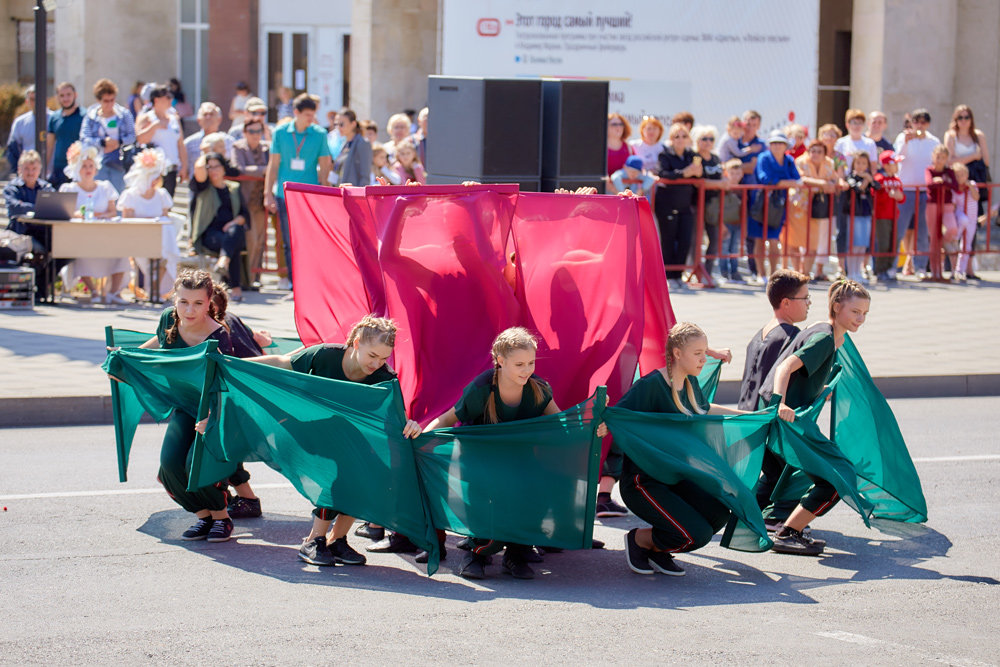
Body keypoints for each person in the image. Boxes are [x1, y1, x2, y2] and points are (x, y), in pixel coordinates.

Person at [244, 315, 421, 567]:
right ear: (356, 343)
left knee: (365, 468)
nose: (377, 363)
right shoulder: (325, 356)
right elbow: (283, 362)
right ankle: (313, 540)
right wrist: (237, 363)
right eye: (372, 355)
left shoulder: (384, 377)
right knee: (347, 465)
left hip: (347, 441)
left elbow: (396, 418)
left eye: (384, 357)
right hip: (305, 431)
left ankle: (337, 540)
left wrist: (411, 423)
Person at [610, 322, 750, 576]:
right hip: (644, 482)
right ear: (677, 353)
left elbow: (705, 410)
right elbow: (617, 415)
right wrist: (602, 425)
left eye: (705, 352)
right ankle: (640, 540)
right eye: (698, 353)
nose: (704, 359)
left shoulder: (689, 383)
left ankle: (659, 551)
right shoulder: (651, 385)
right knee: (694, 535)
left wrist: (749, 416)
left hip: (675, 478)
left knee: (719, 512)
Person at [424, 327, 561, 580]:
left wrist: (594, 424)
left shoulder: (538, 388)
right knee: (491, 501)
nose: (527, 369)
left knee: (531, 489)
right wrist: (424, 441)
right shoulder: (482, 388)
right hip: (478, 460)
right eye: (519, 364)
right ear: (500, 361)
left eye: (531, 362)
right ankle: (476, 554)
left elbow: (562, 424)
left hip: (519, 460)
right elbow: (447, 418)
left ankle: (516, 554)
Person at [760, 279, 871, 555]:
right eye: (855, 312)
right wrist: (781, 403)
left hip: (790, 421)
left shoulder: (824, 331)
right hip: (788, 421)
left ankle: (784, 526)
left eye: (865, 313)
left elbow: (800, 372)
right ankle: (788, 532)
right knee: (837, 477)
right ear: (837, 306)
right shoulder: (824, 338)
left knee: (829, 475)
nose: (861, 319)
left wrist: (817, 388)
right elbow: (785, 367)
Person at [128, 270, 237, 543]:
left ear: (209, 302)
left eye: (198, 303)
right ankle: (203, 516)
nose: (189, 310)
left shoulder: (218, 336)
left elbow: (228, 385)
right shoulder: (168, 318)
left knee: (196, 464)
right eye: (183, 302)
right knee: (169, 466)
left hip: (211, 409)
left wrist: (213, 418)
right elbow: (161, 342)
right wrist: (129, 359)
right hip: (183, 406)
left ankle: (222, 517)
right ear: (174, 299)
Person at [738, 270, 811, 529]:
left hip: (749, 418)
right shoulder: (791, 336)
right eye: (805, 298)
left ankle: (750, 513)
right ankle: (778, 518)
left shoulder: (759, 334)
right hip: (768, 420)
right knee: (792, 470)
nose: (809, 303)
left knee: (772, 474)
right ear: (786, 302)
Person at [264, 93, 332, 289]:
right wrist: (267, 193)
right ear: (296, 112)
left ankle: (310, 278)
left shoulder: (319, 134)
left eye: (313, 114)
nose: (311, 119)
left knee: (310, 238)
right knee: (288, 239)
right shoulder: (281, 132)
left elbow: (325, 163)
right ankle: (296, 282)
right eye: (307, 115)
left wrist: (325, 187)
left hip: (310, 194)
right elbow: (273, 164)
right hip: (284, 194)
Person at [59, 142, 129, 304]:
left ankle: (113, 292)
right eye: (84, 166)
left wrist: (99, 215)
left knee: (123, 250)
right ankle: (93, 290)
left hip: (104, 234)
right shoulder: (69, 189)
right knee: (81, 253)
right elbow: (66, 212)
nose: (88, 169)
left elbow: (112, 211)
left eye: (91, 165)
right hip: (81, 236)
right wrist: (81, 215)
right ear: (77, 168)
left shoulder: (105, 187)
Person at [118, 148, 177, 298]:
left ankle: (155, 289)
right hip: (136, 239)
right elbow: (126, 222)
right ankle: (151, 287)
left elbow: (165, 219)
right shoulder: (130, 195)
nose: (155, 180)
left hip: (159, 240)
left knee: (165, 250)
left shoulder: (162, 195)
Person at [190, 152, 248, 301]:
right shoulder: (203, 188)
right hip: (209, 235)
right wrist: (205, 151)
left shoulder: (234, 188)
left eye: (217, 166)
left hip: (230, 232)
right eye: (210, 167)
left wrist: (232, 223)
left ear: (224, 168)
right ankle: (235, 287)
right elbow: (198, 169)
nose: (213, 170)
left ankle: (224, 260)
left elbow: (244, 216)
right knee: (232, 242)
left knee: (234, 232)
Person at [944, 104, 990, 279]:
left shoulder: (978, 136)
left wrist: (964, 160)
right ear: (955, 120)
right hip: (956, 187)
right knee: (954, 225)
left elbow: (985, 160)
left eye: (967, 117)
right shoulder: (951, 136)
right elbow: (950, 161)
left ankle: (969, 268)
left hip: (972, 187)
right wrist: (971, 157)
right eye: (960, 117)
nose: (964, 121)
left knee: (973, 226)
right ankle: (954, 267)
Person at [893, 108, 941, 277]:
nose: (919, 125)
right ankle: (892, 266)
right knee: (899, 229)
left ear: (928, 124)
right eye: (916, 121)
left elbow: (937, 163)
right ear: (911, 123)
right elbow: (897, 158)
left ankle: (921, 267)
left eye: (923, 122)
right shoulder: (902, 137)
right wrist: (906, 141)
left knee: (922, 230)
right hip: (906, 189)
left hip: (925, 191)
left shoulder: (934, 141)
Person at [3, 150, 55, 301]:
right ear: (19, 169)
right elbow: (14, 207)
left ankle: (42, 289)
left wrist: (27, 205)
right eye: (26, 169)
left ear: (40, 170)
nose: (30, 173)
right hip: (21, 233)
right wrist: (39, 206)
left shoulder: (46, 188)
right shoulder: (12, 188)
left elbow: (53, 204)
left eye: (34, 169)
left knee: (62, 254)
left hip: (44, 232)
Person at [749, 131, 801, 280]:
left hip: (778, 205)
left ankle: (773, 275)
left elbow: (797, 179)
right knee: (759, 238)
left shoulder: (789, 160)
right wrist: (784, 182)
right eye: (774, 143)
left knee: (773, 239)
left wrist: (781, 182)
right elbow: (764, 178)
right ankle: (761, 274)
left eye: (780, 143)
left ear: (785, 146)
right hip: (761, 203)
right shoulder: (763, 158)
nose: (777, 146)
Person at [655, 122, 701, 289]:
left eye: (683, 136)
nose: (680, 140)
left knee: (685, 240)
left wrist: (695, 172)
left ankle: (679, 274)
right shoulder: (665, 155)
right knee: (668, 239)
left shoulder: (691, 155)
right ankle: (668, 276)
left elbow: (697, 173)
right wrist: (684, 173)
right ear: (671, 139)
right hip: (667, 203)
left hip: (685, 204)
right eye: (676, 136)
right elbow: (663, 173)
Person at [230, 117, 270, 290]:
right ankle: (248, 278)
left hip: (261, 199)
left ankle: (255, 277)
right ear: (245, 132)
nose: (255, 135)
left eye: (258, 131)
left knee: (260, 240)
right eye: (252, 131)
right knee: (251, 239)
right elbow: (238, 168)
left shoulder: (267, 148)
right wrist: (262, 170)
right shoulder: (238, 147)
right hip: (245, 201)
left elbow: (274, 167)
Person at [790, 141, 838, 278]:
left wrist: (839, 184)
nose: (815, 154)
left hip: (817, 206)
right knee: (795, 240)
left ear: (824, 154)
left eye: (819, 151)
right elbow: (800, 179)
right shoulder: (801, 162)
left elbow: (834, 178)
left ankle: (805, 274)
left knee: (812, 241)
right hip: (799, 205)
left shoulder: (829, 163)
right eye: (813, 151)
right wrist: (822, 183)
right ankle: (796, 273)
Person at [79, 78, 136, 193]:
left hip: (119, 163)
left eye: (112, 100)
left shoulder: (124, 114)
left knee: (118, 197)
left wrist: (118, 142)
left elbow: (132, 136)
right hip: (98, 163)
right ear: (98, 100)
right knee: (98, 195)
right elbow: (84, 138)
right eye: (106, 101)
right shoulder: (91, 117)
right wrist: (103, 142)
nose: (110, 104)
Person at [134, 85, 187, 197]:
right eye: (167, 97)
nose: (170, 100)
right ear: (156, 99)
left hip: (171, 168)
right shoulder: (146, 117)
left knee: (167, 204)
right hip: (152, 170)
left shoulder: (174, 119)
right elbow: (139, 139)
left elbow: (180, 144)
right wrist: (154, 127)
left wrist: (184, 166)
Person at [692, 125, 725, 278]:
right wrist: (719, 184)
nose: (707, 142)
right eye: (704, 139)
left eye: (711, 139)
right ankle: (695, 271)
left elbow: (722, 178)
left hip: (713, 204)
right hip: (696, 203)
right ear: (697, 140)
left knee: (714, 238)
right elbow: (697, 181)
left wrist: (723, 182)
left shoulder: (716, 158)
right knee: (696, 238)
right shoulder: (694, 157)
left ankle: (708, 272)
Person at [842, 151, 880, 283]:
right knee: (853, 244)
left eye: (864, 163)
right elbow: (857, 188)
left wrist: (869, 179)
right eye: (858, 163)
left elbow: (877, 186)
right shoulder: (851, 177)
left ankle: (858, 271)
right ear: (853, 163)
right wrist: (865, 180)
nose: (860, 166)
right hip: (854, 213)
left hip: (866, 213)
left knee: (862, 245)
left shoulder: (868, 177)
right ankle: (851, 272)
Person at [924, 144, 959, 279]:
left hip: (947, 205)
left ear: (946, 159)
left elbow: (955, 186)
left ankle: (943, 243)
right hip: (932, 205)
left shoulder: (949, 172)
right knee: (934, 238)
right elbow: (929, 184)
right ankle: (936, 271)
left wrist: (942, 182)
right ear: (933, 157)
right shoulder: (929, 170)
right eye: (938, 157)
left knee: (952, 229)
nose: (939, 160)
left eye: (943, 158)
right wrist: (940, 183)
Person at [872, 151, 906, 281]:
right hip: (882, 216)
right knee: (884, 243)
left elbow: (902, 198)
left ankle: (890, 268)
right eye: (894, 163)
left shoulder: (896, 180)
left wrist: (898, 195)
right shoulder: (880, 179)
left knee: (894, 242)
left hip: (894, 215)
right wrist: (887, 194)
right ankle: (881, 270)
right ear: (886, 165)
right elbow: (874, 193)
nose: (897, 166)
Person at [46, 82, 85, 189]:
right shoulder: (54, 118)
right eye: (62, 96)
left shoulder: (84, 116)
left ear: (75, 95)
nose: (65, 98)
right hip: (58, 169)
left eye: (68, 94)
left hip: (79, 168)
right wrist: (45, 168)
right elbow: (49, 145)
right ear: (57, 98)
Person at [717, 158, 747, 283]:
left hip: (737, 223)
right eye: (732, 173)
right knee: (723, 248)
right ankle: (723, 272)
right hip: (725, 223)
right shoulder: (723, 188)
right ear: (726, 173)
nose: (735, 176)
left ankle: (734, 272)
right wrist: (721, 224)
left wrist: (744, 226)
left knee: (734, 248)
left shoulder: (743, 188)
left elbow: (744, 208)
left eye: (737, 173)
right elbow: (717, 207)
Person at [950, 162, 980, 282]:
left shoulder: (972, 184)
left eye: (962, 175)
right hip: (961, 215)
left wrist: (970, 187)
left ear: (967, 175)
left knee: (966, 246)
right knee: (963, 220)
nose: (960, 178)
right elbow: (953, 205)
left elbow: (976, 197)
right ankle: (956, 237)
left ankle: (960, 271)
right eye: (957, 175)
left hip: (972, 219)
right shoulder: (955, 190)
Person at [184, 103, 231, 174]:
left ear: (219, 119)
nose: (208, 117)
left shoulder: (230, 142)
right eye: (205, 114)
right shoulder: (188, 143)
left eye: (211, 114)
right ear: (198, 120)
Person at [5, 85, 45, 169]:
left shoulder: (54, 119)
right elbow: (12, 149)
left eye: (38, 99)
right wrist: (18, 169)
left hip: (51, 173)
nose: (36, 102)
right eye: (32, 99)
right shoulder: (20, 122)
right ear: (27, 101)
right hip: (28, 173)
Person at [332, 108, 373, 186]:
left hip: (353, 194)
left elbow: (365, 177)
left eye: (341, 124)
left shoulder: (363, 143)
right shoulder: (344, 143)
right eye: (336, 124)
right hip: (340, 192)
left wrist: (360, 196)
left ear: (353, 124)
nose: (338, 128)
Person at [606, 112, 634, 177]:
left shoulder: (628, 147)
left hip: (625, 186)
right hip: (603, 186)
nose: (618, 127)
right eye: (614, 124)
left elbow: (636, 169)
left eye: (621, 124)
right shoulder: (600, 148)